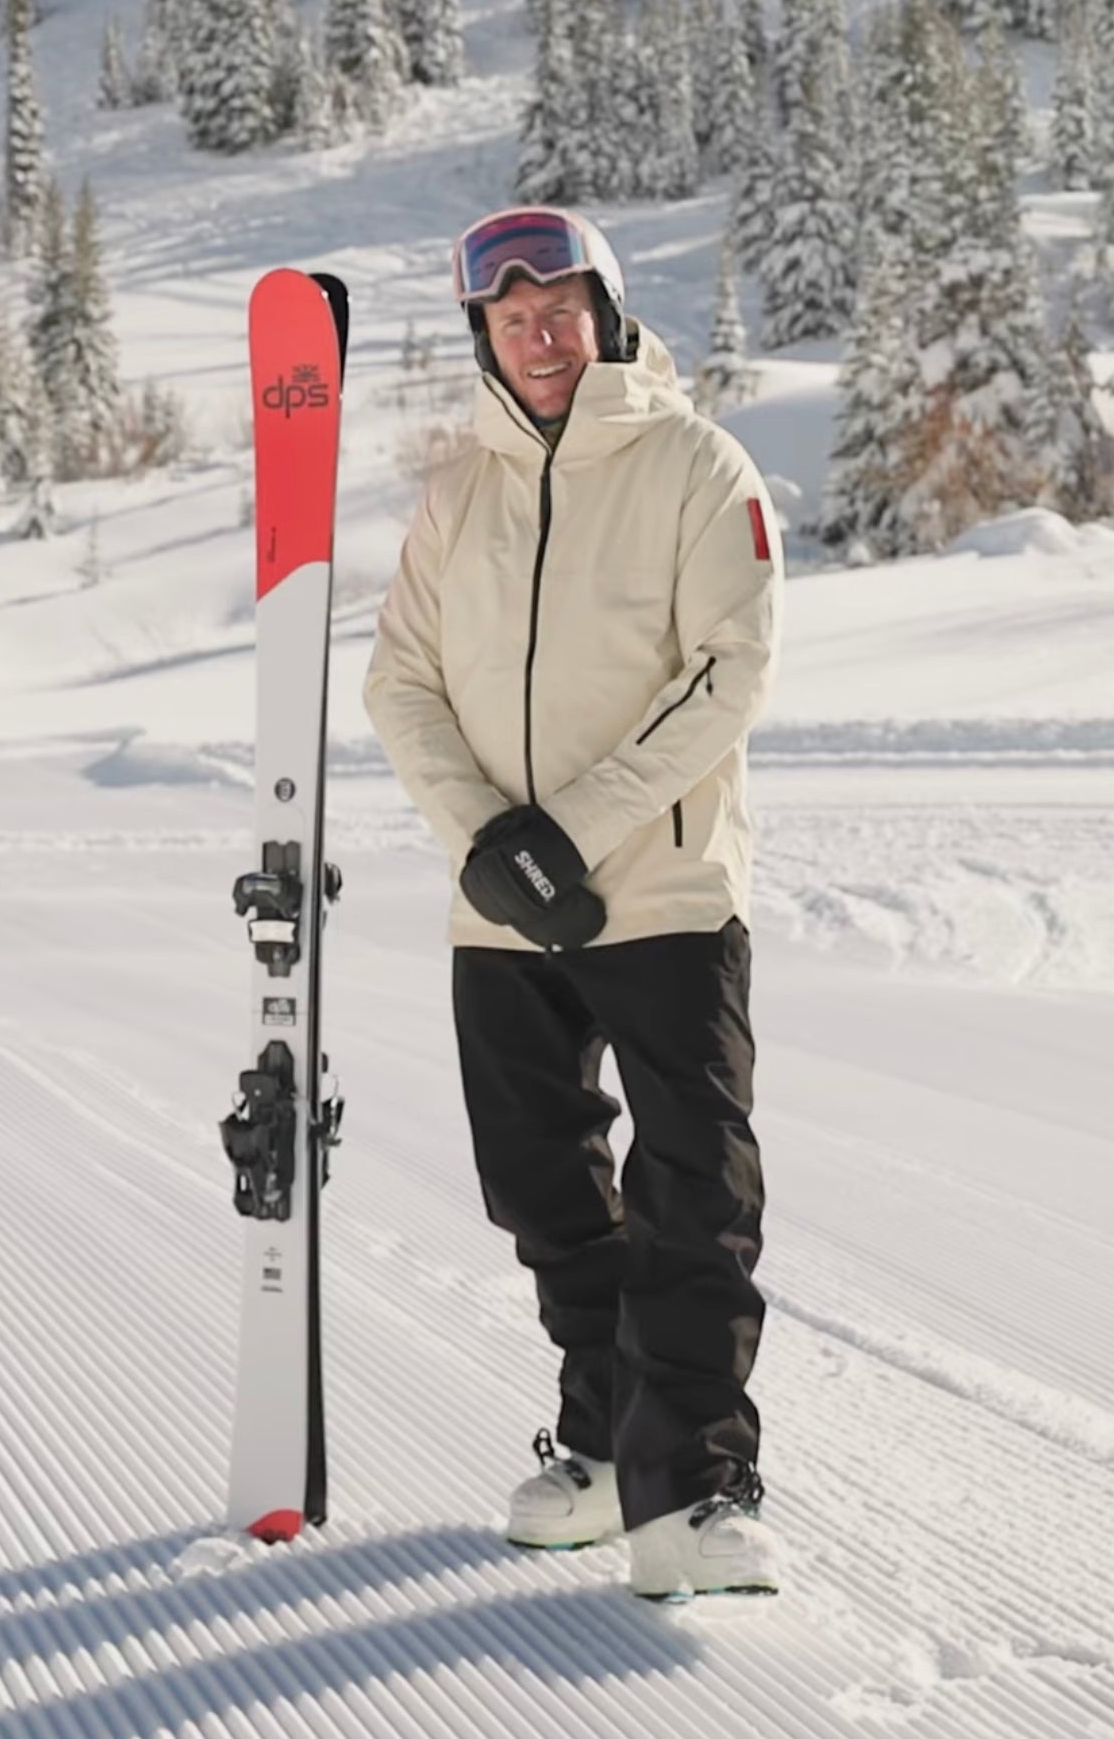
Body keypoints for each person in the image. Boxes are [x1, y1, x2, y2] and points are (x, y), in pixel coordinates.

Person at [363, 207, 785, 1600]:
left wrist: (571, 832)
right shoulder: (460, 493)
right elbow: (401, 682)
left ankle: (697, 1488)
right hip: (501, 910)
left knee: (694, 1189)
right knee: (542, 1187)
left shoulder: (695, 465)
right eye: (511, 317)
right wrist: (489, 840)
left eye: (560, 309)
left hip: (663, 891)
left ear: (605, 314)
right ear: (483, 336)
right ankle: (606, 1449)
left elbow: (731, 672)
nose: (539, 335)